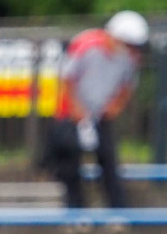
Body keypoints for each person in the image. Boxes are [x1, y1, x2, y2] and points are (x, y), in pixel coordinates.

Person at [44, 10, 149, 222]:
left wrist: (115, 106)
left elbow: (127, 85)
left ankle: (117, 211)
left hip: (100, 115)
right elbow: (68, 79)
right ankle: (75, 213)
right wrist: (76, 109)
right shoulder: (87, 46)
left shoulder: (129, 58)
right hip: (71, 114)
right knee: (69, 165)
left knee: (108, 161)